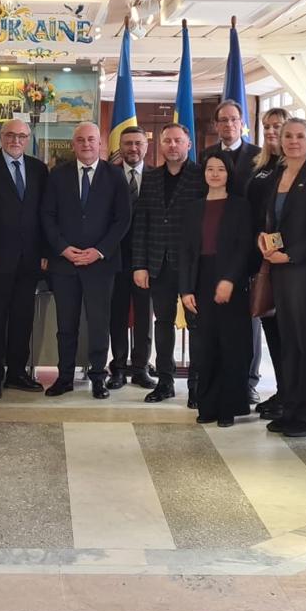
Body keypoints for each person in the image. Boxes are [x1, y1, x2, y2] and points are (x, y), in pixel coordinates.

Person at [258, 119, 306, 437]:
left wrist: (290, 255)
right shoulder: (278, 172)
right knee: (288, 340)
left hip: (304, 269)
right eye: (287, 135)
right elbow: (276, 219)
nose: (292, 141)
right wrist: (266, 241)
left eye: (299, 136)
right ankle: (290, 409)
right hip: (279, 267)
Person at [42, 122, 132, 398]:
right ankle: (65, 377)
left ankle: (98, 377)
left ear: (100, 143)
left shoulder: (115, 175)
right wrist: (62, 248)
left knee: (99, 323)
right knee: (66, 325)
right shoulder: (57, 175)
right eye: (80, 140)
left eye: (91, 139)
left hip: (101, 265)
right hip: (65, 264)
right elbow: (47, 216)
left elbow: (122, 219)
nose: (86, 144)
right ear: (73, 145)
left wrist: (99, 251)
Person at [0, 118, 49, 398]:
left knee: (22, 319)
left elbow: (44, 215)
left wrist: (45, 252)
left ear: (28, 139)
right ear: (1, 137)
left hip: (29, 261)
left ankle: (17, 373)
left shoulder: (39, 169)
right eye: (11, 135)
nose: (16, 140)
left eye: (22, 136)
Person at [179, 155, 258, 428]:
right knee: (205, 347)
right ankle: (208, 405)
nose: (215, 174)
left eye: (221, 169)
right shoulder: (193, 208)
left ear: (229, 174)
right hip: (200, 280)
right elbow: (185, 251)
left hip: (231, 282)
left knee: (231, 346)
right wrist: (185, 289)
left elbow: (244, 248)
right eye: (210, 169)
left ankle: (228, 407)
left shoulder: (240, 206)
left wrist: (230, 280)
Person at [130, 124, 203, 404]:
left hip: (192, 266)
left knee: (196, 326)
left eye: (178, 141)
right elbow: (141, 222)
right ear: (160, 145)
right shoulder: (150, 177)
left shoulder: (201, 176)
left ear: (188, 144)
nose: (172, 145)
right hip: (157, 264)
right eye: (167, 141)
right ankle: (165, 381)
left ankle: (196, 385)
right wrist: (139, 265)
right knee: (162, 323)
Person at [247, 110, 288, 420]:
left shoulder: (295, 166)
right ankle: (283, 390)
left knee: (287, 331)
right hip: (260, 258)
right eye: (267, 126)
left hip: (284, 259)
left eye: (278, 126)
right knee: (272, 327)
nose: (272, 131)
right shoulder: (260, 166)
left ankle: (292, 393)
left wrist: (274, 246)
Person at [109, 126, 151, 390]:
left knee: (145, 317)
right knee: (117, 315)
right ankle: (118, 368)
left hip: (147, 260)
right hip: (115, 259)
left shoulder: (156, 177)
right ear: (120, 147)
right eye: (127, 143)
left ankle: (141, 368)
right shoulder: (108, 175)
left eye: (138, 143)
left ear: (146, 146)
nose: (133, 148)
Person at [202, 99, 261, 196]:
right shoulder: (205, 154)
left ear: (241, 124)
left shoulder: (258, 154)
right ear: (216, 125)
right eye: (224, 120)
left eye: (234, 119)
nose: (229, 124)